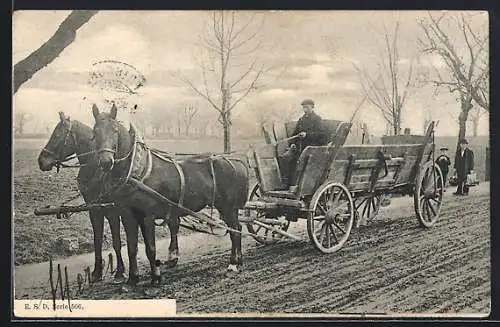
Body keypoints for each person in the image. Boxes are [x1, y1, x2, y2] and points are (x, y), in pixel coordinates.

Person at [280, 99, 323, 187]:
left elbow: (321, 135)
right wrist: (292, 143)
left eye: (307, 107)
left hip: (312, 149)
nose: (305, 110)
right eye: (304, 108)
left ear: (312, 107)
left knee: (298, 161)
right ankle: (287, 183)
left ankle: (296, 185)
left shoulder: (317, 119)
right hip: (299, 148)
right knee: (285, 158)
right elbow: (294, 134)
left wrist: (307, 134)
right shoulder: (301, 119)